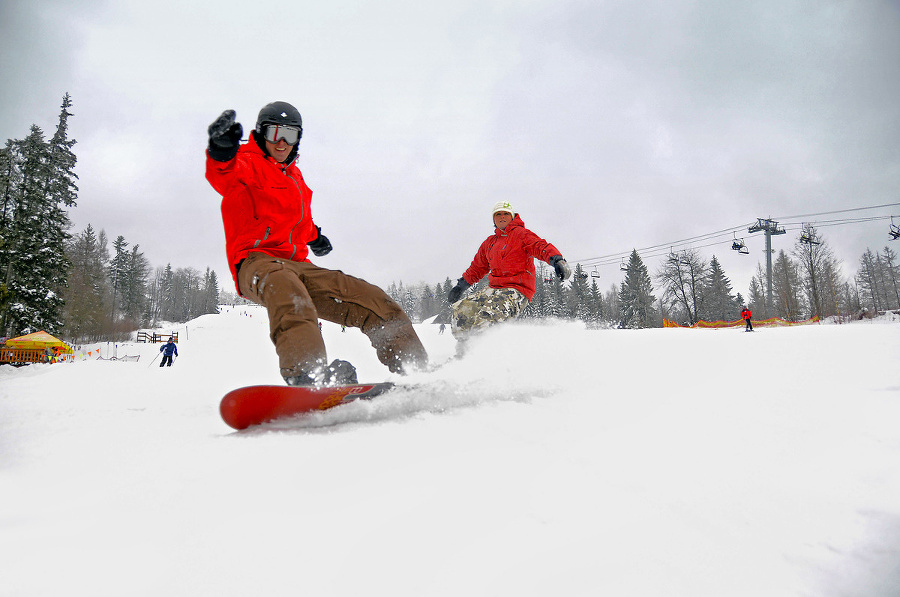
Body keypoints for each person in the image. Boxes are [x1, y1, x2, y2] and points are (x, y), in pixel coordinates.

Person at [205, 101, 428, 386]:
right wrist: (221, 149)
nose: (283, 142)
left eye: (291, 135)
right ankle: (307, 374)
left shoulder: (296, 179)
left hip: (299, 265)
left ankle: (414, 367)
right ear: (260, 134)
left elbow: (300, 220)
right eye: (275, 133)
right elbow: (222, 173)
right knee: (286, 288)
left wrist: (316, 237)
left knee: (369, 297)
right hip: (256, 262)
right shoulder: (246, 164)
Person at [448, 201, 571, 338]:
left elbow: (539, 246)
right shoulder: (490, 242)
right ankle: (464, 353)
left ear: (512, 217)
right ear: (494, 219)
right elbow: (477, 267)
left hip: (517, 288)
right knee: (462, 309)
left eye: (506, 214)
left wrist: (556, 259)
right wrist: (460, 286)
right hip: (494, 289)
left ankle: (483, 353)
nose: (502, 217)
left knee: (489, 315)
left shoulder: (521, 234)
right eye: (498, 214)